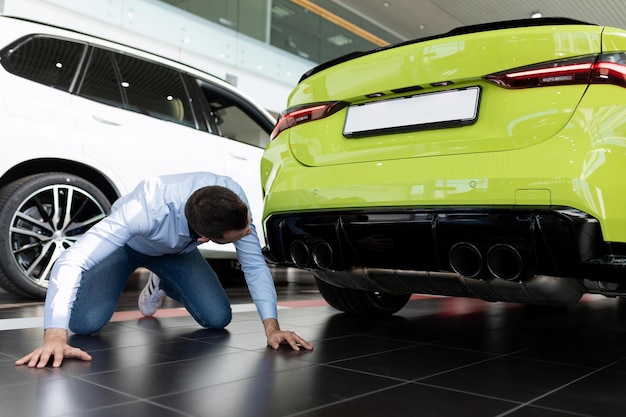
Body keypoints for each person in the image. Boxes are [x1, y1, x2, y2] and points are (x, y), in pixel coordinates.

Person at [16, 172, 313, 368]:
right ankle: (137, 277)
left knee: (217, 318)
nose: (250, 232)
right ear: (205, 239)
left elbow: (253, 265)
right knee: (85, 325)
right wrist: (54, 336)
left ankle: (161, 282)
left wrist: (271, 328)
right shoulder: (144, 209)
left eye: (248, 222)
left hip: (176, 253)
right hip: (128, 246)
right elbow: (71, 261)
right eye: (244, 230)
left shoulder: (231, 196)